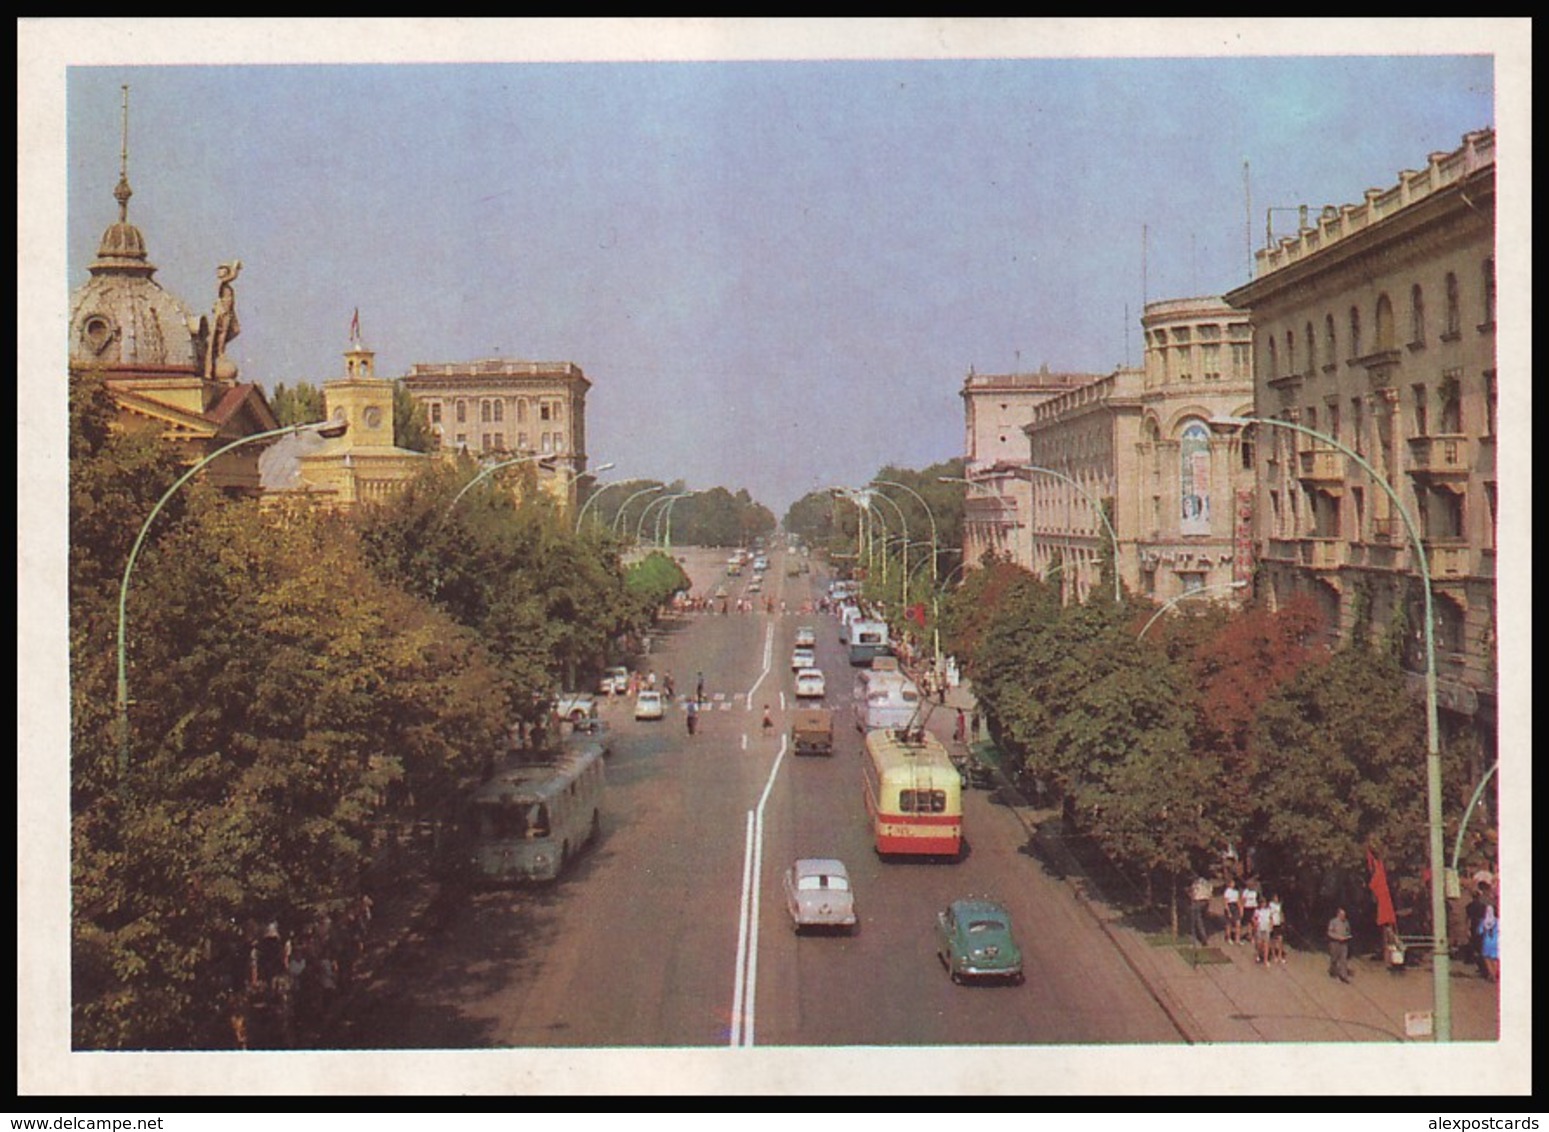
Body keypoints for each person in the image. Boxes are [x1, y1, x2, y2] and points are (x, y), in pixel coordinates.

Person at [1327, 907, 1353, 982]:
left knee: (1343, 959)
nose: (1343, 916)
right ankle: (1332, 971)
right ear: (1338, 914)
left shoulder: (1346, 922)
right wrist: (1337, 937)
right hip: (1334, 943)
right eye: (1342, 914)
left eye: (1344, 915)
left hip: (1344, 943)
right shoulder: (1333, 922)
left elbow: (1348, 931)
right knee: (1334, 959)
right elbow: (1329, 932)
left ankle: (1343, 976)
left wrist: (1347, 936)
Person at [1478, 903, 1499, 983]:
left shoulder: (1484, 921)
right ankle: (1496, 973)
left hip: (1487, 941)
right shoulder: (1497, 921)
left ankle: (1492, 974)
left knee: (1487, 958)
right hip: (1496, 941)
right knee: (1495, 959)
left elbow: (1480, 931)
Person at [1189, 875, 1213, 946]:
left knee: (1197, 920)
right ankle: (1205, 934)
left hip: (1198, 901)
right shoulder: (1207, 883)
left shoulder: (1196, 883)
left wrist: (1191, 898)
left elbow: (1193, 892)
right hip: (1206, 901)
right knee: (1204, 919)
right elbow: (1210, 893)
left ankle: (1202, 938)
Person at [1253, 901, 1274, 966]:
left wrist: (1271, 925)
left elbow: (1271, 918)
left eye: (1264, 903)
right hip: (1260, 928)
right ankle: (1259, 954)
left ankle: (1265, 960)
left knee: (1266, 944)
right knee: (1259, 943)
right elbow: (1254, 918)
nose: (1263, 904)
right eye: (1262, 903)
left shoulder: (1269, 910)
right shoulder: (1257, 910)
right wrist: (1255, 923)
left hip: (1266, 928)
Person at [1269, 893, 1287, 965]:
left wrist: (1283, 921)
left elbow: (1281, 913)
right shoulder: (1270, 905)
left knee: (1280, 940)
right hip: (1273, 924)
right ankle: (1274, 955)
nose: (1276, 899)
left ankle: (1280, 956)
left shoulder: (1279, 905)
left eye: (1277, 898)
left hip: (1279, 924)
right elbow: (1269, 914)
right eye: (1275, 897)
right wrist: (1270, 922)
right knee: (1273, 940)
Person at [1223, 878, 1242, 946]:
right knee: (1229, 923)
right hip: (1230, 906)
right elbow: (1225, 902)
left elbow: (1238, 901)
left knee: (1238, 923)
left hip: (1235, 906)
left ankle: (1237, 939)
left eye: (1233, 883)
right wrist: (1228, 911)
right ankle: (1228, 938)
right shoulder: (1227, 891)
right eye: (1232, 883)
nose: (1233, 884)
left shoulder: (1236, 892)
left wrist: (1240, 909)